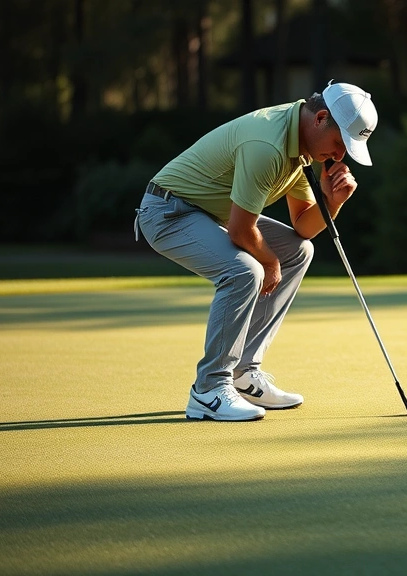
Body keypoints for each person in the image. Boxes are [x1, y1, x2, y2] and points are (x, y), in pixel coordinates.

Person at [135, 81, 378, 421]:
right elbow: (240, 230)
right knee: (244, 271)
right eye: (339, 143)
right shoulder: (268, 145)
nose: (339, 156)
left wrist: (331, 201)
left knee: (299, 252)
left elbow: (303, 227)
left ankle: (244, 374)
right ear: (321, 118)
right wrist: (269, 260)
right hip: (168, 212)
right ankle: (209, 388)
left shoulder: (300, 147)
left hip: (211, 214)